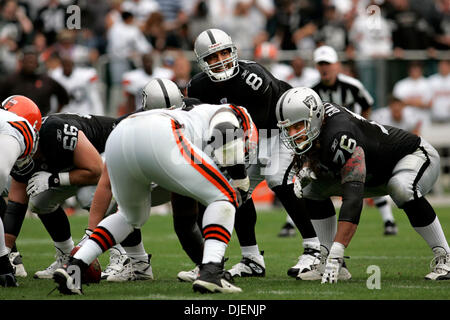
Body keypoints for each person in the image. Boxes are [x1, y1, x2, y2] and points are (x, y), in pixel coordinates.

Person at [53, 101, 256, 295]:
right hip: (160, 132)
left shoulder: (195, 120)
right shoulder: (232, 112)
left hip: (121, 135)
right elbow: (225, 129)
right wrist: (241, 178)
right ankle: (212, 272)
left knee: (129, 217)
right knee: (224, 196)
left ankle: (74, 266)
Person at [185, 28, 322, 280]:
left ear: (233, 51)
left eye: (224, 53)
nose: (221, 60)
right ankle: (251, 259)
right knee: (236, 193)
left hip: (275, 129)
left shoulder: (252, 77)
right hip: (241, 138)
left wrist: (234, 153)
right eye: (213, 57)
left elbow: (258, 122)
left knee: (278, 180)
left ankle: (314, 250)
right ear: (202, 62)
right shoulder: (197, 86)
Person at [276, 87, 450, 282]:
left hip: (413, 156)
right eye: (288, 128)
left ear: (314, 117)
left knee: (400, 188)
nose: (292, 134)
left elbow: (353, 198)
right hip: (375, 172)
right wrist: (308, 169)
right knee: (311, 189)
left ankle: (446, 257)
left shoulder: (340, 135)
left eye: (298, 126)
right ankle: (330, 264)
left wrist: (338, 250)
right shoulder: (317, 124)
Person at [2, 112, 117, 280]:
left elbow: (96, 171)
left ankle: (125, 257)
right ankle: (66, 255)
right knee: (40, 200)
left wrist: (54, 179)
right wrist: (3, 255)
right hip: (81, 165)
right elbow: (16, 206)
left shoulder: (54, 131)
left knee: (88, 195)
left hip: (108, 149)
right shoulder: (20, 148)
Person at [311, 45, 398, 236]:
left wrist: (360, 127)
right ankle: (296, 225)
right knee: (312, 180)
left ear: (336, 65)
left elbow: (367, 105)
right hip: (326, 143)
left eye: (327, 63)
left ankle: (388, 220)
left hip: (353, 139)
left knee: (368, 176)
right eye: (320, 64)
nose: (324, 68)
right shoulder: (313, 91)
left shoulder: (352, 85)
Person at [0, 95, 41, 287]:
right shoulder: (20, 125)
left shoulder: (14, 124)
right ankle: (5, 265)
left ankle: (5, 265)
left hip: (17, 132)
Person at [0, 46, 69, 116]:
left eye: (32, 61)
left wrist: (55, 114)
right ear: (22, 62)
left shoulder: (47, 80)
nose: (30, 64)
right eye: (28, 61)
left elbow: (63, 97)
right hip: (16, 121)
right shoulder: (10, 80)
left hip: (42, 121)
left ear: (37, 63)